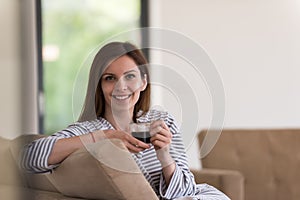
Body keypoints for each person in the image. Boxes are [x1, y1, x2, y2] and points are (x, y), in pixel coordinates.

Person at [21, 42, 229, 200]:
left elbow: (184, 192)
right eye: (110, 78)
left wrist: (165, 157)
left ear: (144, 82)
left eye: (130, 77)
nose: (121, 87)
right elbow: (29, 157)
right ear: (99, 85)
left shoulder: (161, 120)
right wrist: (107, 136)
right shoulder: (88, 130)